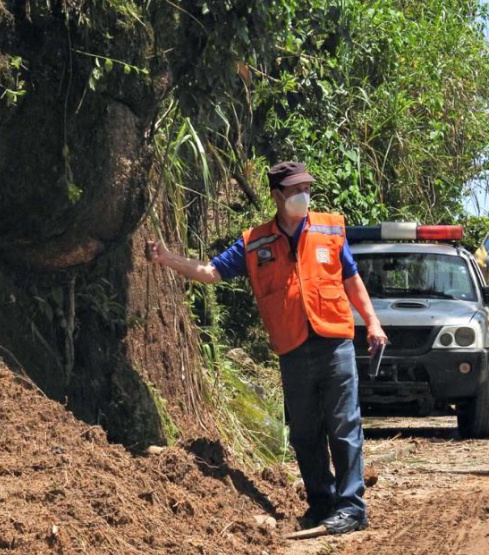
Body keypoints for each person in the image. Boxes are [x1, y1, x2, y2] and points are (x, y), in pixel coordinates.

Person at [147, 161, 388, 534]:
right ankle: (322, 505)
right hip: (292, 349)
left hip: (334, 342)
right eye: (295, 190)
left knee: (344, 426)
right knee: (305, 432)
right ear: (277, 196)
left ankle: (352, 507)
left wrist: (372, 322)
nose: (303, 195)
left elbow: (351, 279)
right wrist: (166, 258)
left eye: (306, 187)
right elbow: (210, 272)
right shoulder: (255, 241)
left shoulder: (329, 229)